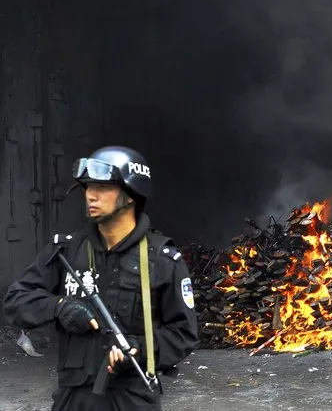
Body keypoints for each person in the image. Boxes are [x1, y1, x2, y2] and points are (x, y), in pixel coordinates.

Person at [3, 146, 199, 410]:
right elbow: (16, 300)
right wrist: (58, 307)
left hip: (132, 398)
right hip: (73, 398)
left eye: (102, 187)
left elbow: (184, 333)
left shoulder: (162, 260)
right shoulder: (66, 251)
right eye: (87, 187)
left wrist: (139, 349)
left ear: (131, 195)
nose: (90, 196)